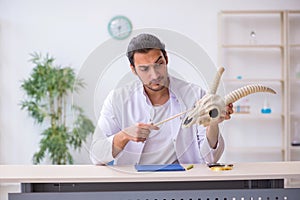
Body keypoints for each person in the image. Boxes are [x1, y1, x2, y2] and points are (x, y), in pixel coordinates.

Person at [90, 33, 233, 165]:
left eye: (159, 64)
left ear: (166, 59)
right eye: (144, 69)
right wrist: (123, 136)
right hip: (134, 183)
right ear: (133, 69)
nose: (155, 75)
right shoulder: (117, 99)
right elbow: (96, 155)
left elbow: (211, 158)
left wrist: (213, 123)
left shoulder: (195, 95)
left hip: (181, 182)